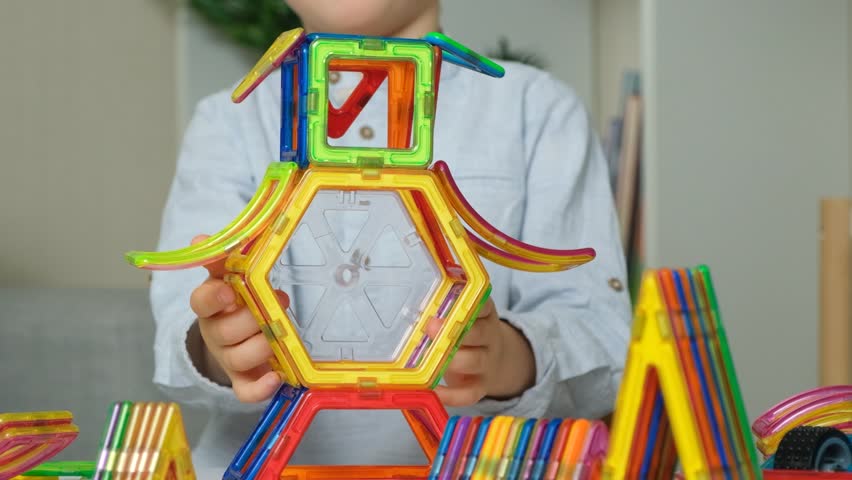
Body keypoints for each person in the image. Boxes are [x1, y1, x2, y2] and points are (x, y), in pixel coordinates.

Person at [150, 0, 632, 469]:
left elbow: (603, 342)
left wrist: (505, 356)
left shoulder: (536, 109)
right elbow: (179, 331)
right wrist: (221, 347)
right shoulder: (229, 119)